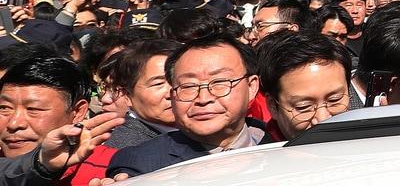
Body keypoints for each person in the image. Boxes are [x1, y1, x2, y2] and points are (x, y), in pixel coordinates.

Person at [106, 35, 264, 178]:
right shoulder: (141, 165)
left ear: (251, 87)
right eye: (188, 86)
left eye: (219, 83)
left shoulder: (280, 139)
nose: (203, 99)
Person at [72, 40, 179, 185]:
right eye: (158, 84)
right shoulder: (120, 152)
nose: (171, 92)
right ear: (128, 95)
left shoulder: (204, 131)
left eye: (178, 80)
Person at [258, 33, 352, 139]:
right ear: (272, 106)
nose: (323, 119)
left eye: (334, 100)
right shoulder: (259, 154)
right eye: (304, 107)